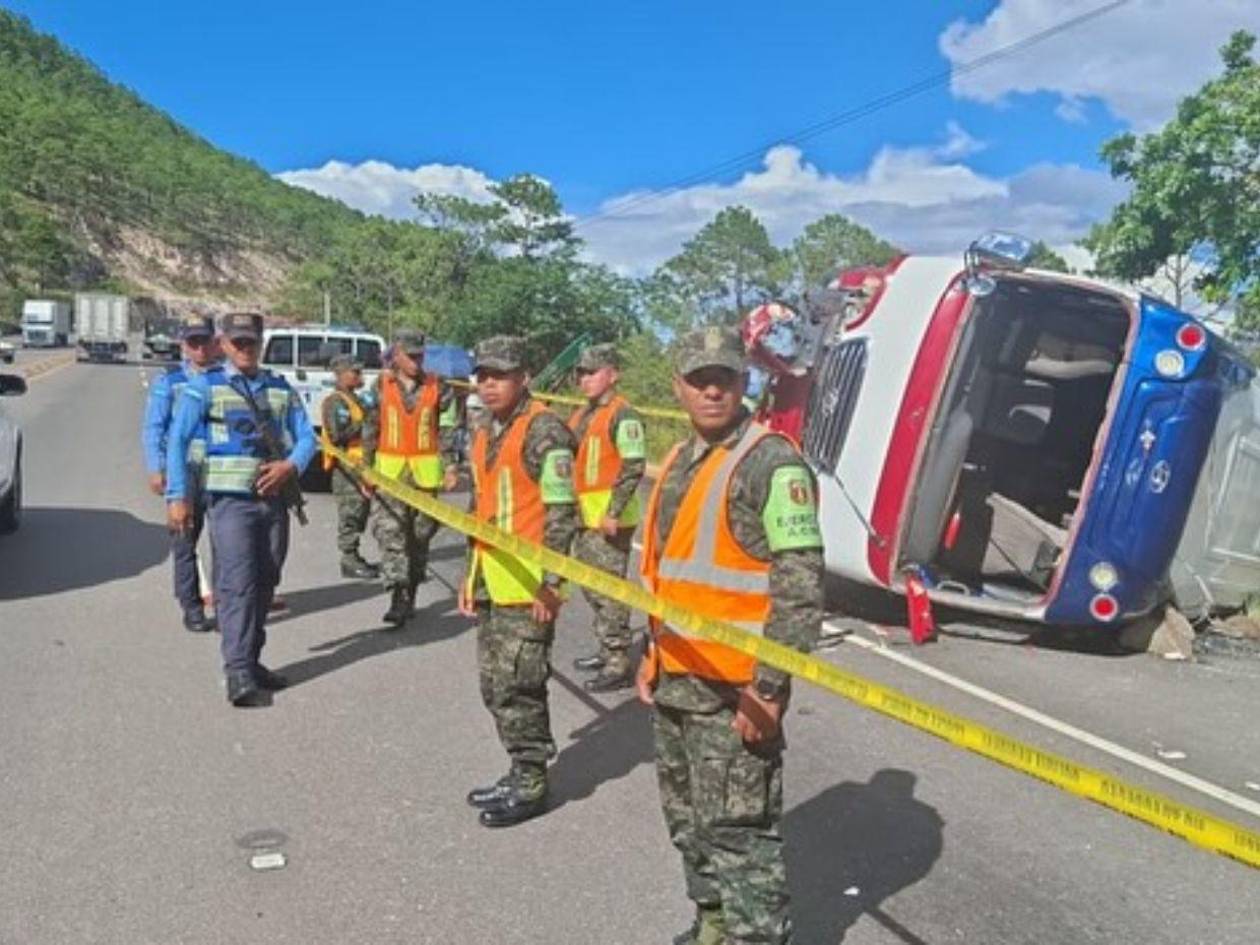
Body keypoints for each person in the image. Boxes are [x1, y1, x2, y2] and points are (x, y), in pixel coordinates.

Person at [637, 325, 824, 945]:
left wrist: (769, 689)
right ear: (680, 387)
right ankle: (712, 923)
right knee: (689, 821)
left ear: (745, 384)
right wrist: (650, 651)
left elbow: (799, 588)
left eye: (725, 379)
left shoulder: (771, 463)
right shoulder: (679, 460)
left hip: (736, 691)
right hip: (677, 676)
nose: (712, 391)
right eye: (699, 380)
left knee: (741, 834)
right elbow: (668, 573)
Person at [165, 312, 317, 707]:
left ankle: (251, 659)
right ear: (224, 345)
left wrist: (290, 466)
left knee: (267, 579)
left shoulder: (281, 389)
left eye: (252, 342)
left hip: (273, 504)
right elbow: (177, 443)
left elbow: (306, 438)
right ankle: (237, 671)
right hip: (229, 502)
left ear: (261, 343)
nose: (246, 349)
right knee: (236, 584)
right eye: (238, 343)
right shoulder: (204, 388)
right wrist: (178, 498)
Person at [457, 335, 578, 828]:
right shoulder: (489, 428)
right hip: (492, 577)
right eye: (482, 375)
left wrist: (551, 582)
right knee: (495, 685)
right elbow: (481, 508)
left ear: (523, 377)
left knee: (519, 686)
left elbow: (561, 513)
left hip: (527, 587)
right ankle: (518, 766)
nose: (489, 385)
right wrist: (470, 575)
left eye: (499, 375)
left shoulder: (544, 430)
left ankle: (531, 782)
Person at [362, 328, 459, 625]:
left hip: (425, 475)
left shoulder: (438, 387)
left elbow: (448, 429)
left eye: (420, 355)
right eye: (410, 355)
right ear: (397, 355)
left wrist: (451, 466)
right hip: (389, 473)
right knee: (391, 534)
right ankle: (397, 596)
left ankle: (411, 589)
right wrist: (366, 469)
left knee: (419, 539)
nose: (416, 361)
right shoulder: (379, 385)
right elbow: (369, 428)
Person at [566, 342, 647, 692]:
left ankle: (618, 659)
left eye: (592, 372)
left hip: (609, 520)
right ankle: (606, 647)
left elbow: (634, 465)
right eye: (581, 373)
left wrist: (613, 511)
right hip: (585, 516)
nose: (585, 379)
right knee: (592, 587)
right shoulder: (583, 414)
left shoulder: (623, 415)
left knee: (609, 591)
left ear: (612, 374)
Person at [141, 313, 218, 633]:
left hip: (219, 472)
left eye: (205, 342)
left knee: (227, 544)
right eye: (193, 342)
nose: (200, 349)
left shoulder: (225, 379)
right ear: (184, 346)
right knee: (185, 542)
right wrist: (155, 468)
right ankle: (192, 606)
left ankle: (229, 602)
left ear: (215, 344)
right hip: (183, 472)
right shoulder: (169, 383)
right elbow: (153, 427)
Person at [318, 353, 379, 580]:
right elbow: (337, 436)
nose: (359, 376)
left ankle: (354, 556)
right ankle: (349, 558)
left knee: (360, 511)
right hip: (346, 468)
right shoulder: (335, 402)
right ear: (341, 375)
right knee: (350, 515)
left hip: (361, 465)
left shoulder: (356, 399)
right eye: (355, 372)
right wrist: (364, 422)